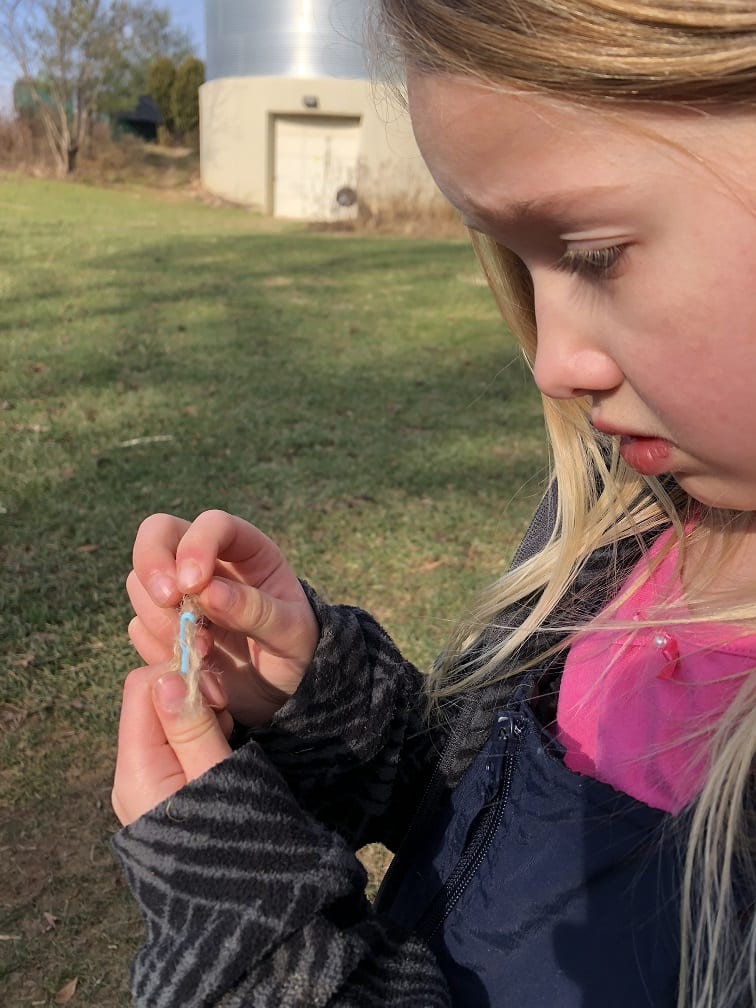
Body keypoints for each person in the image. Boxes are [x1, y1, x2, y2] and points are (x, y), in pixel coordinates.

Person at [111, 2, 756, 1006]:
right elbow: (487, 811)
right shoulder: (622, 514)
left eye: (592, 253)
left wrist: (252, 947)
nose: (551, 364)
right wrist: (326, 703)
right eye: (515, 262)